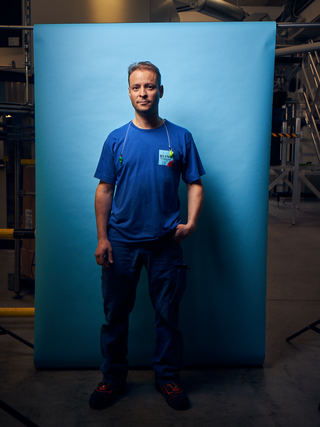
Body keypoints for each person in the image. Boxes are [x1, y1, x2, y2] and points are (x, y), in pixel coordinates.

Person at [90, 61, 205, 411]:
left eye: (150, 86)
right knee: (115, 317)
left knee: (167, 316)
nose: (143, 93)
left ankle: (168, 379)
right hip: (121, 244)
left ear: (160, 91)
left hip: (165, 246)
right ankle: (112, 380)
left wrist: (192, 223)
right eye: (137, 87)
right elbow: (104, 190)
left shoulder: (179, 137)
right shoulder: (117, 138)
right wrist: (102, 238)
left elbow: (195, 184)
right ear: (129, 91)